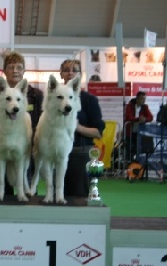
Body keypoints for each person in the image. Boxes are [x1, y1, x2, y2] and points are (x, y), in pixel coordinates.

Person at [0, 51, 43, 195]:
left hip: (25, 146)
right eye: (10, 67)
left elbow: (39, 120)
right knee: (2, 195)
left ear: (24, 70)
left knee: (26, 190)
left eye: (19, 67)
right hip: (1, 143)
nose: (15, 71)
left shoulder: (35, 94)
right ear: (4, 70)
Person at [60, 59, 105, 197]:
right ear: (61, 74)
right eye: (67, 70)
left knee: (79, 196)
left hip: (79, 154)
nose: (70, 73)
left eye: (74, 70)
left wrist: (78, 127)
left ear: (80, 75)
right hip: (58, 153)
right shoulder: (54, 98)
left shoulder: (89, 100)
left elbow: (98, 132)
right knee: (58, 196)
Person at [124, 91, 153, 161]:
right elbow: (129, 117)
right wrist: (138, 119)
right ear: (137, 98)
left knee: (138, 147)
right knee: (129, 147)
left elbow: (150, 117)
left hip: (140, 132)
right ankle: (128, 161)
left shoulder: (145, 107)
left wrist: (145, 119)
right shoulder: (129, 106)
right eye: (142, 99)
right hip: (130, 131)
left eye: (144, 99)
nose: (143, 101)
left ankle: (138, 161)